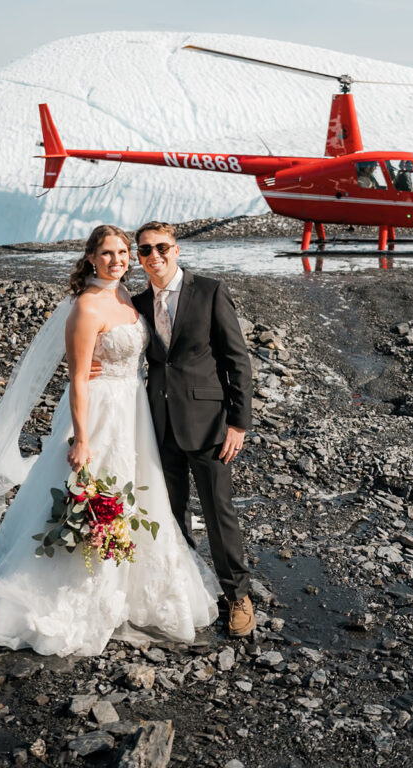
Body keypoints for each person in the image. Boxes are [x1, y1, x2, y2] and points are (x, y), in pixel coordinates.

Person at [0, 225, 218, 657]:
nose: (117, 260)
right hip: (100, 412)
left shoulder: (126, 297)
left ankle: (135, 591)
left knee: (140, 494)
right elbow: (77, 378)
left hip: (134, 410)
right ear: (91, 258)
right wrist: (80, 437)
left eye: (123, 252)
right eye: (108, 253)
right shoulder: (85, 307)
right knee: (95, 493)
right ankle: (76, 591)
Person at [130, 221, 255, 638]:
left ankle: (238, 595)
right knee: (170, 511)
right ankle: (185, 588)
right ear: (139, 257)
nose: (155, 256)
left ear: (177, 249)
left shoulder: (210, 291)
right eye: (145, 250)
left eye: (161, 247)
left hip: (208, 424)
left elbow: (236, 360)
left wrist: (238, 422)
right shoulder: (138, 303)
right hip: (159, 424)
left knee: (219, 514)